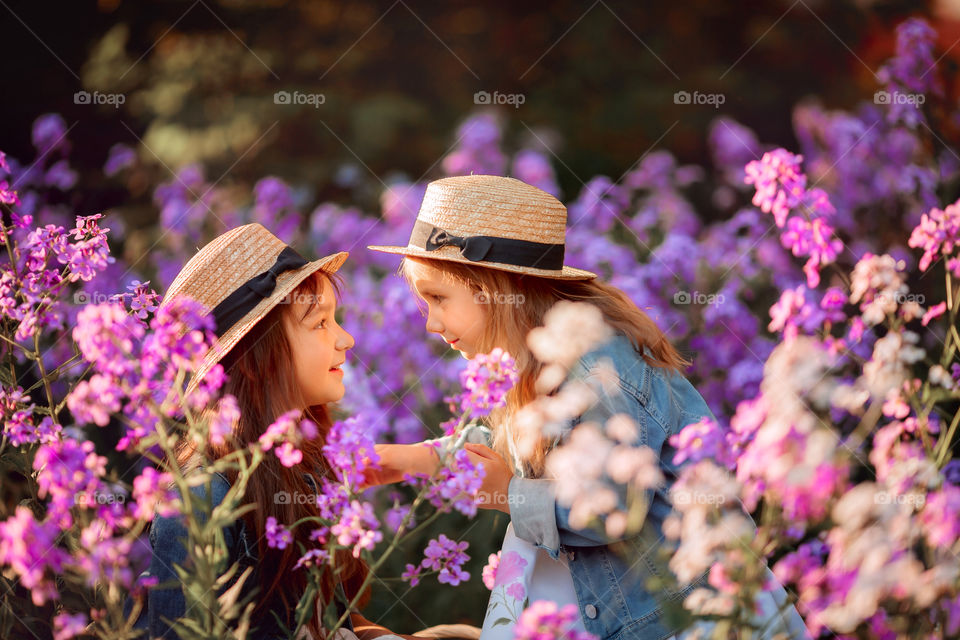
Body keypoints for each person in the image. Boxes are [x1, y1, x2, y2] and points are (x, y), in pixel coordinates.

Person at [367, 175, 810, 640]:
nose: (431, 324)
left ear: (499, 289)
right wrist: (417, 459)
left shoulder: (600, 366)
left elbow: (611, 504)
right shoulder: (533, 361)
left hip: (695, 619)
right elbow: (513, 447)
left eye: (438, 298)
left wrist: (508, 494)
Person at [135, 223, 408, 640]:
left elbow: (329, 628)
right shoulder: (200, 503)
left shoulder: (307, 470)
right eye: (320, 324)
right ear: (253, 356)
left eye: (336, 320)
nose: (346, 339)